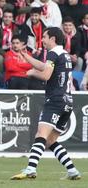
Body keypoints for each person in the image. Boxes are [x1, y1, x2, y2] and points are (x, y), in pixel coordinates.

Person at [11, 27, 81, 180]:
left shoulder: (53, 53)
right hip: (67, 102)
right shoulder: (63, 54)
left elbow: (46, 74)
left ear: (53, 39)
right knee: (51, 140)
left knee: (40, 135)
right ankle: (72, 170)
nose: (42, 40)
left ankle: (30, 168)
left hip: (55, 100)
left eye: (44, 37)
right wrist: (27, 57)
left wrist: (32, 73)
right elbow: (45, 66)